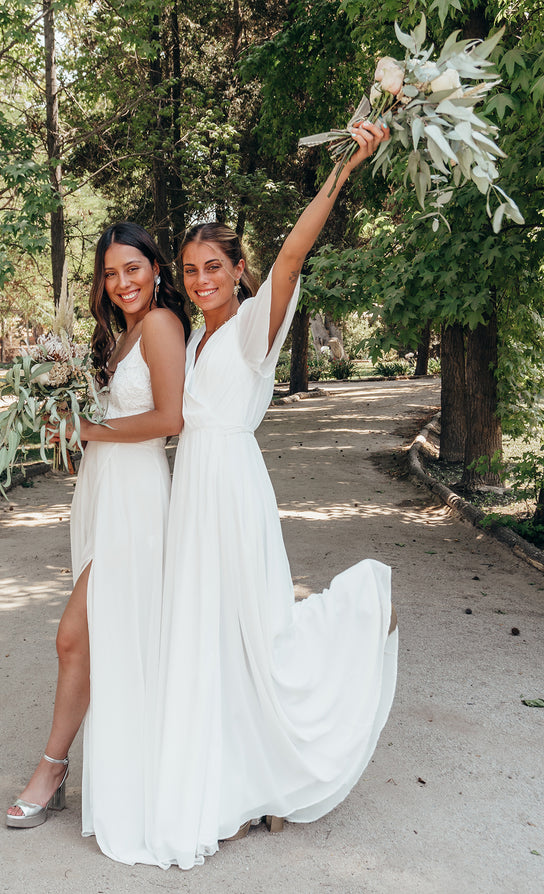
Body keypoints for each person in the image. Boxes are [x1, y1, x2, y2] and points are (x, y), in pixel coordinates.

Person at [145, 121, 398, 869]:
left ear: (238, 267)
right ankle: (249, 783)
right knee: (213, 637)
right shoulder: (193, 337)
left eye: (213, 267)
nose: (200, 279)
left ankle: (359, 617)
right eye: (189, 269)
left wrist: (346, 167)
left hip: (233, 492)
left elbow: (294, 252)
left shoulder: (258, 322)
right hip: (194, 490)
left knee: (255, 632)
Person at [6, 222, 190, 866]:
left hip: (137, 500)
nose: (123, 282)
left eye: (133, 268)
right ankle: (79, 769)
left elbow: (170, 418)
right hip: (106, 491)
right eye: (111, 273)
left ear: (157, 269)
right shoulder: (122, 335)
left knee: (74, 635)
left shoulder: (164, 326)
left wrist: (89, 425)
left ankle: (51, 771)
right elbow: (114, 414)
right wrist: (61, 417)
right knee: (99, 636)